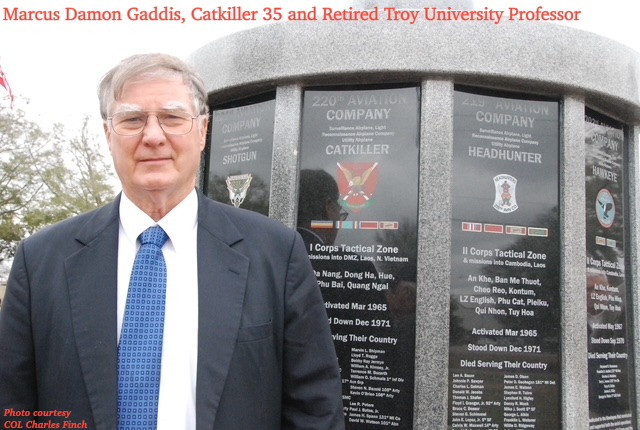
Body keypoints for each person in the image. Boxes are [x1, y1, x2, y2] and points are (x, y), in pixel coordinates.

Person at [0, 54, 344, 430]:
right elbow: (13, 407)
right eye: (132, 119)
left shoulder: (276, 254)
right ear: (107, 135)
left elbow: (315, 408)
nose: (152, 135)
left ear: (202, 131)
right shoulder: (40, 261)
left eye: (172, 117)